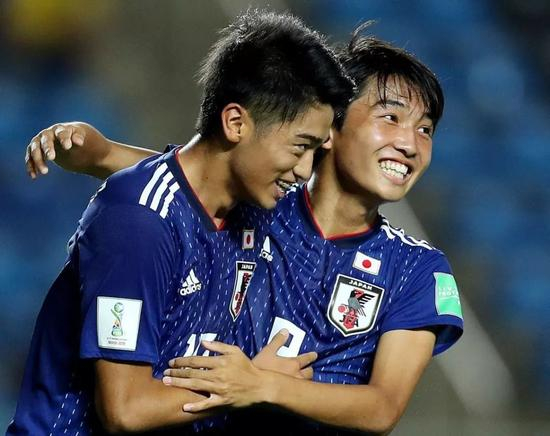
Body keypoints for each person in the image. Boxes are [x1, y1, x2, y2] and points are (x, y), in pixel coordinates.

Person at [23, 27, 463, 435]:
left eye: (426, 130)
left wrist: (264, 384)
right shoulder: (258, 204)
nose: (410, 143)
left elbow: (383, 407)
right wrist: (100, 153)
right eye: (391, 118)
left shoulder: (416, 269)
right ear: (331, 127)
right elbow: (190, 179)